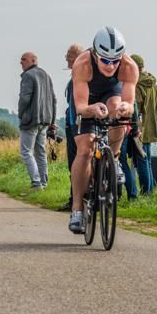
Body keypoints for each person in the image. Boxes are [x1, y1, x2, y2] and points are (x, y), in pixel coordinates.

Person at [68, 27, 139, 234]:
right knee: (85, 149)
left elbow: (130, 102)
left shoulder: (129, 67)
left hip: (111, 93)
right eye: (105, 60)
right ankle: (77, 209)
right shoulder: (82, 64)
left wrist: (126, 107)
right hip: (85, 99)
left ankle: (114, 159)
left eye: (115, 60)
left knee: (118, 110)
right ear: (96, 54)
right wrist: (91, 109)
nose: (111, 65)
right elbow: (81, 106)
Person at [17, 52, 56, 190]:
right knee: (40, 152)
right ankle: (43, 183)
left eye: (23, 59)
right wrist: (52, 120)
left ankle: (36, 182)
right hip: (45, 120)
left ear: (33, 60)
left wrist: (20, 114)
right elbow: (53, 100)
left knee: (26, 151)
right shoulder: (46, 75)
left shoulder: (28, 75)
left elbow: (24, 99)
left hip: (31, 120)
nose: (20, 62)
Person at [60, 43, 84, 211]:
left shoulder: (79, 77)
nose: (66, 57)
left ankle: (76, 201)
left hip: (77, 125)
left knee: (76, 164)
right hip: (74, 123)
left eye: (69, 54)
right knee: (75, 164)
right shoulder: (76, 77)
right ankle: (76, 198)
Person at [131, 54, 157, 194]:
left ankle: (145, 193)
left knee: (142, 161)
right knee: (147, 161)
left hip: (140, 129)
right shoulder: (152, 83)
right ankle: (150, 191)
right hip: (151, 126)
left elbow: (136, 109)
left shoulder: (137, 85)